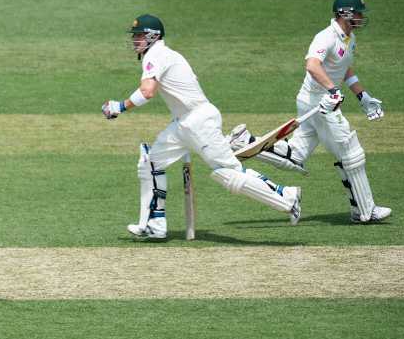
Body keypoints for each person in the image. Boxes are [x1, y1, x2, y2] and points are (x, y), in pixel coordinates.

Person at [102, 14, 302, 240]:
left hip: (198, 122)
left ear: (153, 36)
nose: (135, 41)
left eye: (139, 36)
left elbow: (148, 91)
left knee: (228, 174)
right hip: (183, 123)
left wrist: (120, 106)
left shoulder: (157, 54)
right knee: (150, 162)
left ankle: (287, 197)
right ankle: (154, 225)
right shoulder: (162, 55)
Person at [229, 0, 391, 224]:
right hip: (320, 102)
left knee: (297, 154)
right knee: (351, 152)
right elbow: (312, 65)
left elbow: (343, 68)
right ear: (345, 13)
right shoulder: (325, 37)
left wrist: (362, 95)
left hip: (316, 100)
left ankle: (245, 141)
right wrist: (332, 91)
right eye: (357, 13)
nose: (361, 17)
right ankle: (365, 211)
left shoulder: (348, 38)